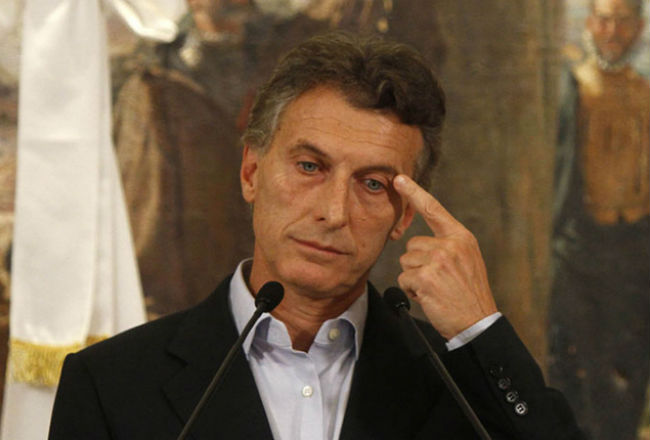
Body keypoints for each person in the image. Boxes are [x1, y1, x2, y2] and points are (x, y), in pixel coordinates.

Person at [49, 32, 583, 440]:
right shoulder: (110, 384)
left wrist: (480, 330)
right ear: (251, 172)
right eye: (310, 166)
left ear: (403, 216)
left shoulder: (461, 382)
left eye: (372, 184)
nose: (333, 212)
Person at [547, 1, 649, 439]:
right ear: (591, 24)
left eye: (622, 22)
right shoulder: (574, 88)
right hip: (580, 248)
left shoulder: (644, 92)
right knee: (577, 364)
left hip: (635, 247)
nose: (612, 31)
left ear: (638, 28)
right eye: (604, 20)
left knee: (629, 364)